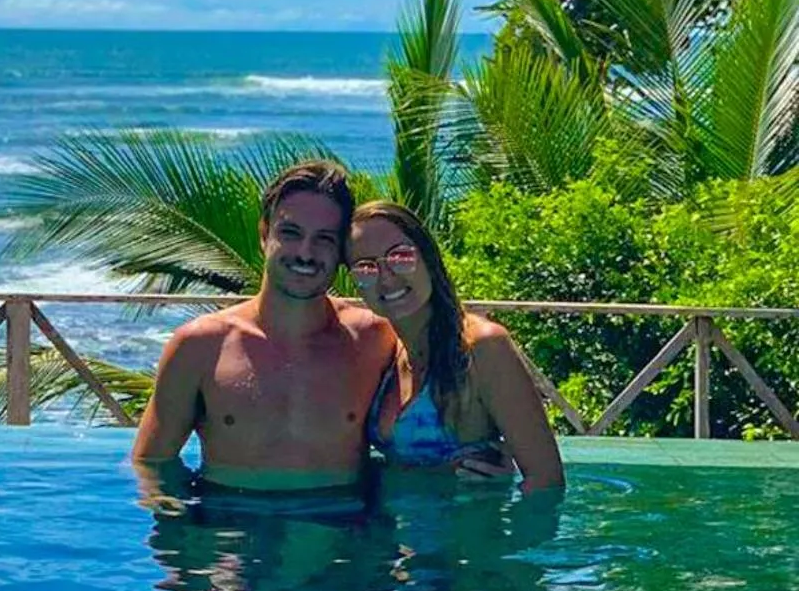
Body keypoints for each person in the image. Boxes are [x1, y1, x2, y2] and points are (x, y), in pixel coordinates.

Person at [130, 159, 394, 492]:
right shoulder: (200, 347)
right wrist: (185, 539)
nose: (306, 253)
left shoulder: (374, 341)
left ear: (342, 249)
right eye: (290, 233)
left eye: (324, 239)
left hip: (336, 533)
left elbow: (438, 426)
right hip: (230, 532)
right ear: (264, 234)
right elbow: (151, 465)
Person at [347, 199, 565, 494]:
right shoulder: (385, 350)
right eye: (366, 268)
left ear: (428, 257)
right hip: (396, 536)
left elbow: (546, 482)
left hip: (467, 536)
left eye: (400, 257)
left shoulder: (483, 347)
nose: (386, 278)